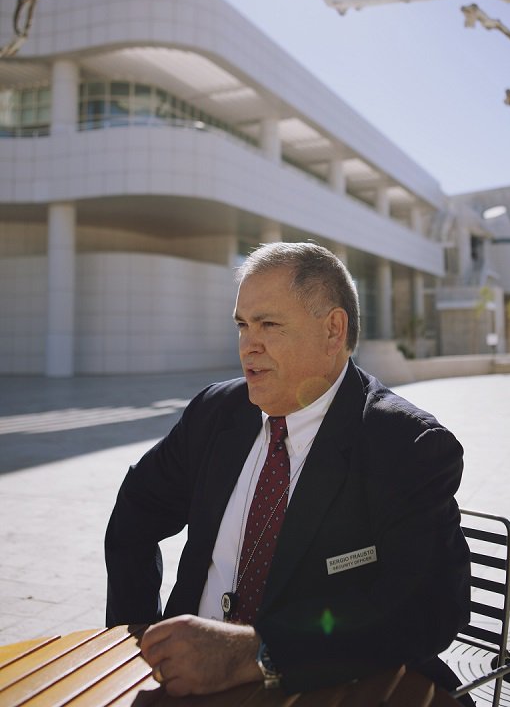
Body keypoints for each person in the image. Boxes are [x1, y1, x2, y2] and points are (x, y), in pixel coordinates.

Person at [105, 241, 471, 698]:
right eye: (242, 325)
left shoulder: (405, 444)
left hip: (327, 689)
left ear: (333, 330)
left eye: (269, 325)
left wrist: (255, 653)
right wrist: (140, 636)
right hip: (188, 686)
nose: (248, 345)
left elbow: (430, 607)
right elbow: (136, 509)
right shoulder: (215, 413)